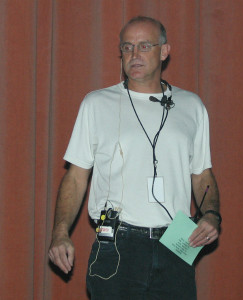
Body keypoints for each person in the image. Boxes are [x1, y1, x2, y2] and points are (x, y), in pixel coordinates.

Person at [49, 16, 221, 299]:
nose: (134, 54)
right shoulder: (96, 104)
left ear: (164, 51)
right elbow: (76, 177)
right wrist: (60, 233)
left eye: (144, 46)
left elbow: (202, 175)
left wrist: (212, 214)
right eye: (127, 47)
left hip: (176, 242)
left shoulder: (192, 106)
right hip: (117, 243)